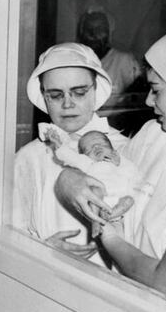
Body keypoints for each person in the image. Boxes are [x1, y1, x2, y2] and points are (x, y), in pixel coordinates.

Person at [56, 26, 166, 305]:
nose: (148, 100)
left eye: (156, 90)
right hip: (121, 301)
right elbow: (99, 167)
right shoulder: (154, 135)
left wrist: (110, 237)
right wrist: (68, 180)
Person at [11, 42, 127, 262]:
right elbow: (13, 233)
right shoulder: (27, 158)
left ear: (96, 90)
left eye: (79, 92)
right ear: (43, 96)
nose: (67, 104)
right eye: (56, 95)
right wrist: (42, 251)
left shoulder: (123, 149)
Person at [42, 127, 138, 222]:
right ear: (84, 155)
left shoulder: (122, 162)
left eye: (102, 144)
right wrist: (58, 144)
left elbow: (133, 174)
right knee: (96, 191)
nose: (96, 147)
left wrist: (119, 164)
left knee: (129, 200)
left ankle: (109, 216)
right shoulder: (88, 163)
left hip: (119, 199)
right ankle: (96, 218)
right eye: (89, 148)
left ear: (113, 149)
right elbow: (69, 156)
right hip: (99, 199)